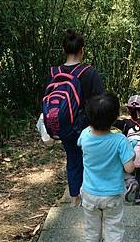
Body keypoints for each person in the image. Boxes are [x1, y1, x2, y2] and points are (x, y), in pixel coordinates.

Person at [78, 92, 135, 242]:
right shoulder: (120, 141)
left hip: (89, 193)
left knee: (92, 224)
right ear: (115, 118)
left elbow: (81, 145)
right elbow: (130, 168)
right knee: (113, 229)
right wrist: (130, 152)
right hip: (112, 195)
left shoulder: (84, 135)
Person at [44, 29, 103, 206]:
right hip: (86, 125)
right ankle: (91, 195)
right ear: (82, 50)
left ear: (65, 49)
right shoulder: (89, 72)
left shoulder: (54, 72)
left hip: (64, 125)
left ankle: (75, 197)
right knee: (91, 160)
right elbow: (99, 102)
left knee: (72, 158)